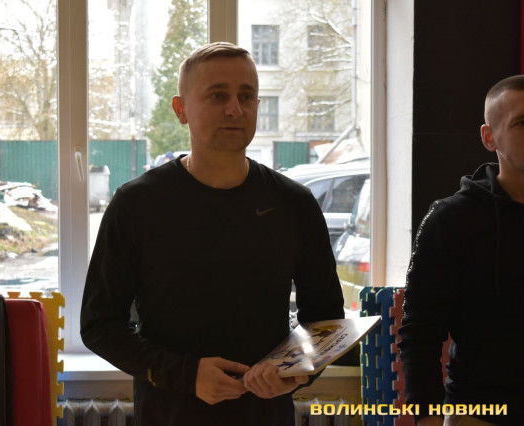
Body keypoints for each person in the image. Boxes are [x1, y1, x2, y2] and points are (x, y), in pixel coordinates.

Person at [80, 42, 344, 425]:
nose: (235, 109)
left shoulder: (294, 204)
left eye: (246, 96)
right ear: (181, 109)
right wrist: (185, 375)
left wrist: (297, 371)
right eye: (218, 95)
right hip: (169, 416)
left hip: (266, 417)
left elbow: (325, 321)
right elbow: (99, 324)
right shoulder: (137, 204)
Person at [398, 75, 524, 426]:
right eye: (522, 123)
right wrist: (426, 416)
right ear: (489, 137)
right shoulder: (452, 220)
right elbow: (421, 330)